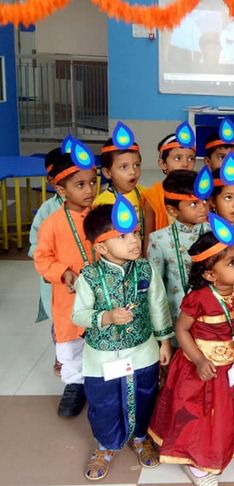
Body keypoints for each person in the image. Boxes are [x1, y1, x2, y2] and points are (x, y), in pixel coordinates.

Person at [149, 228, 234, 486]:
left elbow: (233, 324)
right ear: (209, 274)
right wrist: (198, 360)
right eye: (232, 262)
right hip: (205, 368)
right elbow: (181, 330)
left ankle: (233, 442)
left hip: (232, 362)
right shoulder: (198, 298)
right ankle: (197, 463)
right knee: (203, 415)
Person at [72, 203, 174, 481]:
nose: (134, 241)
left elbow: (158, 305)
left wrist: (164, 340)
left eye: (135, 233)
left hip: (143, 350)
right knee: (104, 402)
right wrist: (105, 316)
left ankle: (141, 437)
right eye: (123, 236)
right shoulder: (89, 277)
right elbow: (78, 315)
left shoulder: (145, 269)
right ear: (101, 248)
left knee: (145, 395)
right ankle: (106, 445)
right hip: (102, 358)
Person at [34, 144, 98, 417]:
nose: (89, 190)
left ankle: (98, 382)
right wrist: (63, 272)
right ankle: (74, 384)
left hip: (101, 294)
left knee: (99, 337)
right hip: (68, 296)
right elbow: (42, 258)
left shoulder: (102, 217)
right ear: (61, 191)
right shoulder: (52, 223)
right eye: (80, 185)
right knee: (70, 342)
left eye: (93, 182)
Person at [147, 169, 210, 332]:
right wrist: (162, 333)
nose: (203, 208)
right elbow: (155, 288)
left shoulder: (215, 233)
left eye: (205, 201)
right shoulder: (159, 240)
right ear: (172, 211)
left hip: (211, 318)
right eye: (194, 204)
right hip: (176, 318)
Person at [28, 148, 65, 375]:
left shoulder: (95, 208)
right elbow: (37, 249)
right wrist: (60, 269)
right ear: (54, 182)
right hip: (59, 284)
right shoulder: (47, 211)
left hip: (87, 284)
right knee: (61, 327)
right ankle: (65, 368)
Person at [142, 123, 197, 251]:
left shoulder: (199, 192)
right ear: (163, 164)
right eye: (178, 158)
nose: (185, 164)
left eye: (191, 159)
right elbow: (148, 236)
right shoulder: (153, 195)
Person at [94, 122, 146, 240]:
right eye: (124, 167)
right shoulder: (101, 204)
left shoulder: (146, 194)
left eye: (137, 165)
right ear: (107, 173)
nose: (133, 171)